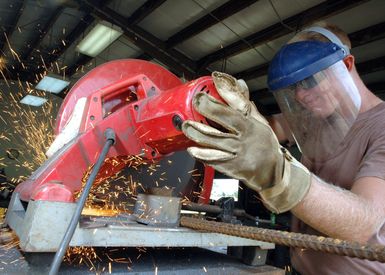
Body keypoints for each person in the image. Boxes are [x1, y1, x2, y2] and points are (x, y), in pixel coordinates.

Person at [182, 22, 385, 274]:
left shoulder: (381, 125)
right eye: (294, 88)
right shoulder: (317, 122)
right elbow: (270, 128)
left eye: (310, 80)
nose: (300, 96)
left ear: (345, 65)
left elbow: (367, 224)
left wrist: (279, 174)